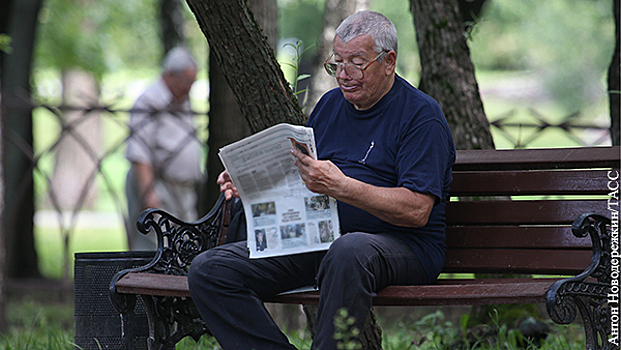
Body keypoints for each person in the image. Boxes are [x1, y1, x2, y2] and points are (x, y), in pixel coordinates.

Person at [188, 10, 455, 350]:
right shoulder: (330, 106)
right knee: (210, 270)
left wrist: (343, 186)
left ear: (389, 61)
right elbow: (305, 180)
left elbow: (417, 211)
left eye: (357, 63)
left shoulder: (420, 116)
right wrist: (253, 184)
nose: (344, 75)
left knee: (349, 250)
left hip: (404, 246)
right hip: (322, 237)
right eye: (337, 63)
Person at [125, 47, 204, 251]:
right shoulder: (150, 101)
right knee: (157, 247)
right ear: (170, 75)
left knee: (184, 246)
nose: (189, 88)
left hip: (182, 190)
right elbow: (138, 152)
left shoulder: (182, 100)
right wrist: (148, 193)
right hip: (158, 186)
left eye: (193, 82)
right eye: (187, 82)